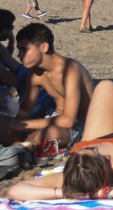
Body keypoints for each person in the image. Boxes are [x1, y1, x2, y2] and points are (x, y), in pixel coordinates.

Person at [8, 79, 113, 201]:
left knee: (105, 85)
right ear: (103, 165)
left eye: (76, 154)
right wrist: (106, 193)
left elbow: (15, 190)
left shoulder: (70, 175)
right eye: (93, 152)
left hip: (94, 136)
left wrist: (61, 194)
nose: (95, 149)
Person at [11, 23, 95, 155]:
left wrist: (24, 125)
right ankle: (22, 146)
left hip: (81, 126)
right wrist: (12, 125)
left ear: (44, 47)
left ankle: (19, 147)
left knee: (50, 133)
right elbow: (25, 110)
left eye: (24, 49)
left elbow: (68, 120)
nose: (19, 55)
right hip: (52, 118)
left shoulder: (70, 70)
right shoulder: (36, 73)